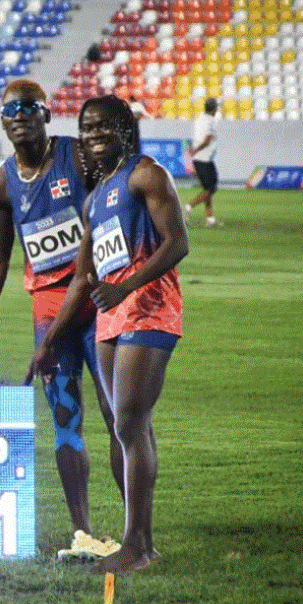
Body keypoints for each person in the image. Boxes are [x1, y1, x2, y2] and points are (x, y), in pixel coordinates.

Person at [0, 79, 123, 551]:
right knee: (66, 418)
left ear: (46, 114)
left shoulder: (80, 158)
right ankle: (83, 531)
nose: (20, 115)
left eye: (30, 107)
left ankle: (134, 533)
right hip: (50, 316)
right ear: (3, 121)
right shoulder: (1, 186)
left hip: (101, 307)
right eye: (11, 110)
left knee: (117, 416)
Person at [28, 95, 189, 574]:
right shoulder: (96, 196)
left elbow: (179, 241)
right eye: (86, 127)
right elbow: (83, 275)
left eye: (103, 126)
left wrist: (127, 287)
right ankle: (140, 542)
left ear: (124, 128)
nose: (94, 134)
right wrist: (52, 338)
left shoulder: (147, 174)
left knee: (128, 424)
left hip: (149, 309)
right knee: (129, 425)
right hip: (112, 316)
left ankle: (136, 546)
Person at [185, 98, 220, 227]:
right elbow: (207, 139)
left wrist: (195, 150)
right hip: (203, 158)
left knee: (208, 189)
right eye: (216, 107)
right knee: (211, 188)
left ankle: (210, 219)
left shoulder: (200, 118)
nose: (217, 110)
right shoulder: (210, 121)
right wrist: (196, 150)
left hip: (203, 159)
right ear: (213, 109)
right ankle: (188, 207)